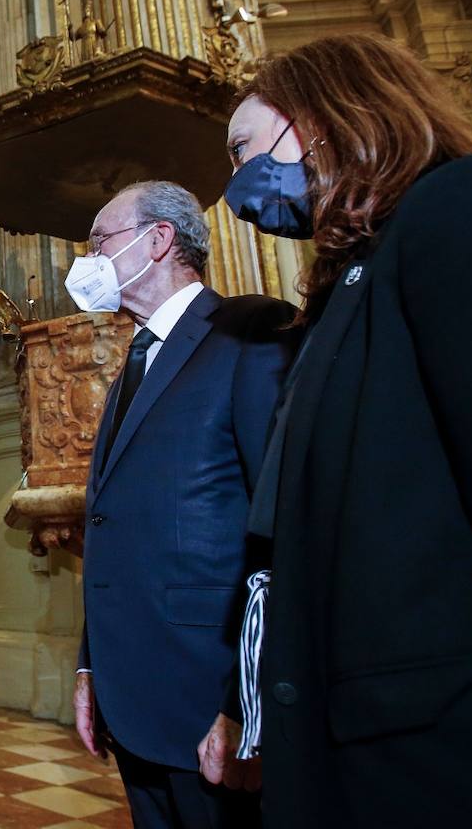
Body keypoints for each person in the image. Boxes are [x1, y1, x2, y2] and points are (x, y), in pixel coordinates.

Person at [204, 32, 472, 827]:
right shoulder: (348, 293)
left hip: (452, 745)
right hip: (355, 742)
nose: (236, 187)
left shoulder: (470, 206)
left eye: (243, 149)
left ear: (320, 117)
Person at [67, 180, 294, 829]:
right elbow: (111, 526)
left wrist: (249, 703)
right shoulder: (131, 371)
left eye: (99, 242)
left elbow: (277, 524)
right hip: (134, 693)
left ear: (158, 240)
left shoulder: (250, 332)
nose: (88, 262)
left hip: (211, 693)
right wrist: (91, 663)